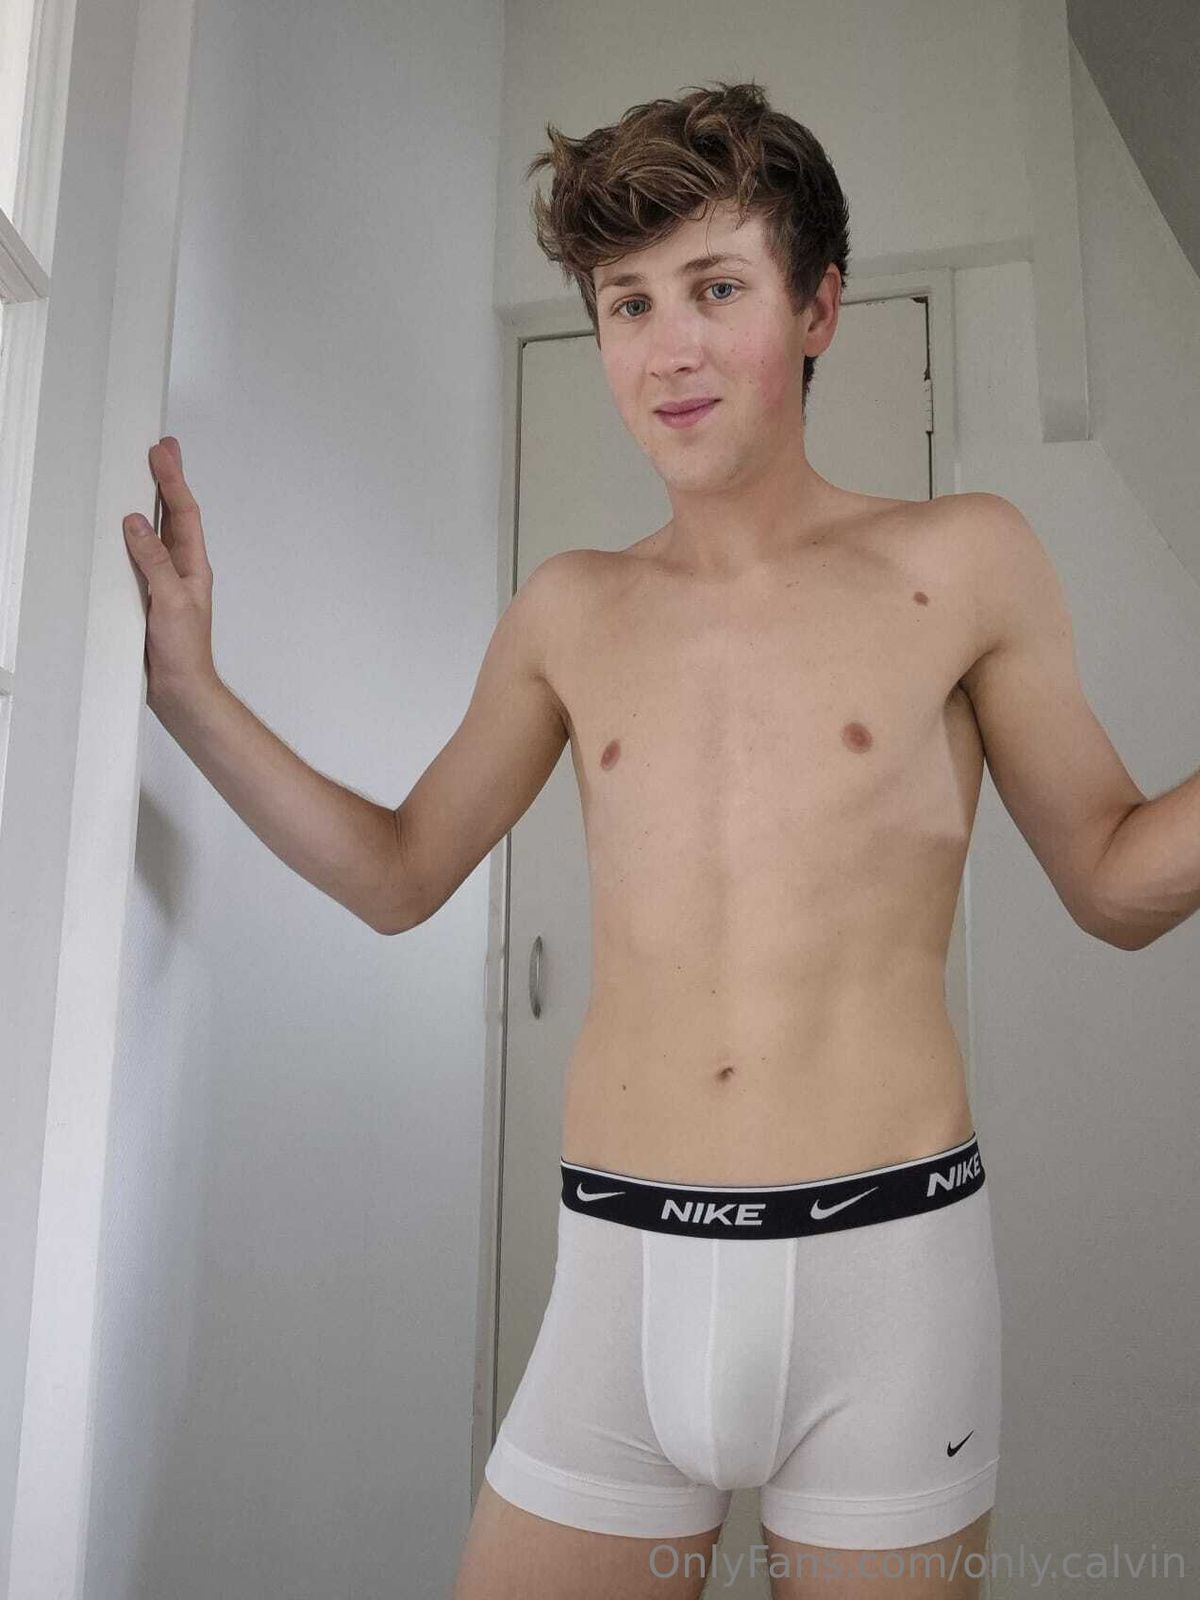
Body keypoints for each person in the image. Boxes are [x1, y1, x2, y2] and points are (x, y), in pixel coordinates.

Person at [123, 78, 1198, 1600]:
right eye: (628, 304)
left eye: (716, 289)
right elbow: (401, 873)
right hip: (621, 1277)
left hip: (887, 1278)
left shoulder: (962, 562)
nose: (669, 347)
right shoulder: (570, 608)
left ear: (817, 308)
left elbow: (1115, 880)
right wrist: (190, 693)